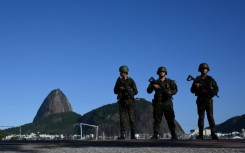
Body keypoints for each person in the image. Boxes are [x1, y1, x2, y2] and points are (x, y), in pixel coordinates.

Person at [147, 66, 178, 140]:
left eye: (163, 72)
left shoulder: (170, 81)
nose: (162, 73)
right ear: (158, 73)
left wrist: (170, 92)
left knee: (170, 119)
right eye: (160, 72)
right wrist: (153, 86)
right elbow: (148, 91)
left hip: (167, 102)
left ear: (165, 73)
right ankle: (155, 134)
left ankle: (173, 134)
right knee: (157, 119)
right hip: (158, 103)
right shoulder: (155, 82)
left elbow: (175, 90)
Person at [190, 63, 219, 140]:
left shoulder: (211, 79)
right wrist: (196, 86)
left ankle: (213, 133)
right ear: (200, 70)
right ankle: (200, 134)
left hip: (208, 100)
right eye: (202, 69)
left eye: (205, 69)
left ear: (207, 70)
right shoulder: (197, 79)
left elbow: (216, 89)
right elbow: (192, 90)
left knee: (210, 117)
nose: (204, 70)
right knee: (201, 117)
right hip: (200, 100)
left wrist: (212, 93)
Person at [114, 65, 138, 139]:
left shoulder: (131, 81)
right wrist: (119, 88)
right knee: (122, 118)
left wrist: (130, 93)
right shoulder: (119, 81)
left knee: (131, 118)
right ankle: (122, 134)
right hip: (122, 101)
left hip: (129, 101)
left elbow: (136, 91)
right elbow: (115, 91)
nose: (121, 74)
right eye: (121, 72)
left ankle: (133, 134)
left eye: (122, 72)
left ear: (125, 72)